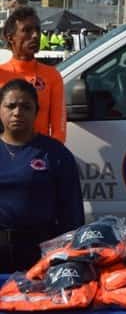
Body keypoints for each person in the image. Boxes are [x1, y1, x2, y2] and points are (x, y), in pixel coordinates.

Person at [0, 79, 84, 273]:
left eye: (26, 107)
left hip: (38, 253)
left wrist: (67, 255)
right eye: (10, 106)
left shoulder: (55, 153)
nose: (17, 112)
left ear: (36, 112)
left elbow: (71, 212)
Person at [0, 6, 66, 143]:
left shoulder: (52, 76)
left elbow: (59, 128)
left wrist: (52, 155)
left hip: (40, 156)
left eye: (37, 30)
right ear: (10, 37)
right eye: (27, 30)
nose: (35, 35)